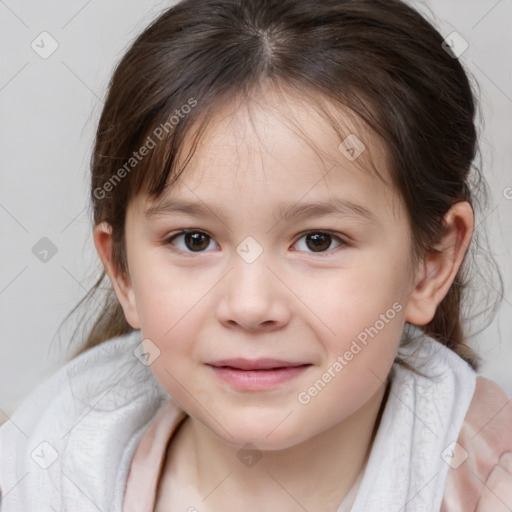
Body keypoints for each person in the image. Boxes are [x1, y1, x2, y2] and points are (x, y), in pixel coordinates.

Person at [1, 0, 511, 510]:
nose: (249, 306)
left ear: (431, 264)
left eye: (319, 240)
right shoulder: (33, 474)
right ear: (124, 273)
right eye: (194, 240)